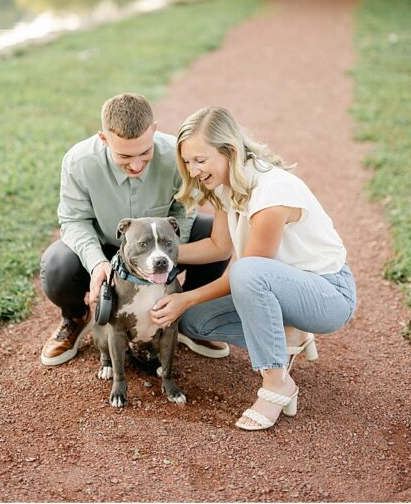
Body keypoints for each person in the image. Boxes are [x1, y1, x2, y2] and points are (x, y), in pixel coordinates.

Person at [152, 106, 357, 430]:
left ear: (229, 151)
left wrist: (186, 297)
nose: (192, 171)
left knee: (244, 272)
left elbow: (249, 271)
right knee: (194, 321)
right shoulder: (225, 186)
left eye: (200, 160)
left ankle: (277, 383)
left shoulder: (271, 193)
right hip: (278, 287)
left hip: (328, 294)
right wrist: (161, 255)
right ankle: (290, 331)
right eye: (188, 162)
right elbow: (219, 246)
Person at [39, 93, 231, 366]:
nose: (137, 165)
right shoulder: (78, 162)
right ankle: (75, 317)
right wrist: (97, 264)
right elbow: (74, 221)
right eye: (125, 156)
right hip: (104, 245)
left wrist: (168, 256)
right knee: (56, 264)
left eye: (145, 152)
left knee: (213, 233)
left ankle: (185, 317)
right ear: (104, 139)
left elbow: (184, 211)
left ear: (154, 130)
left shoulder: (176, 156)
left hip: (158, 245)